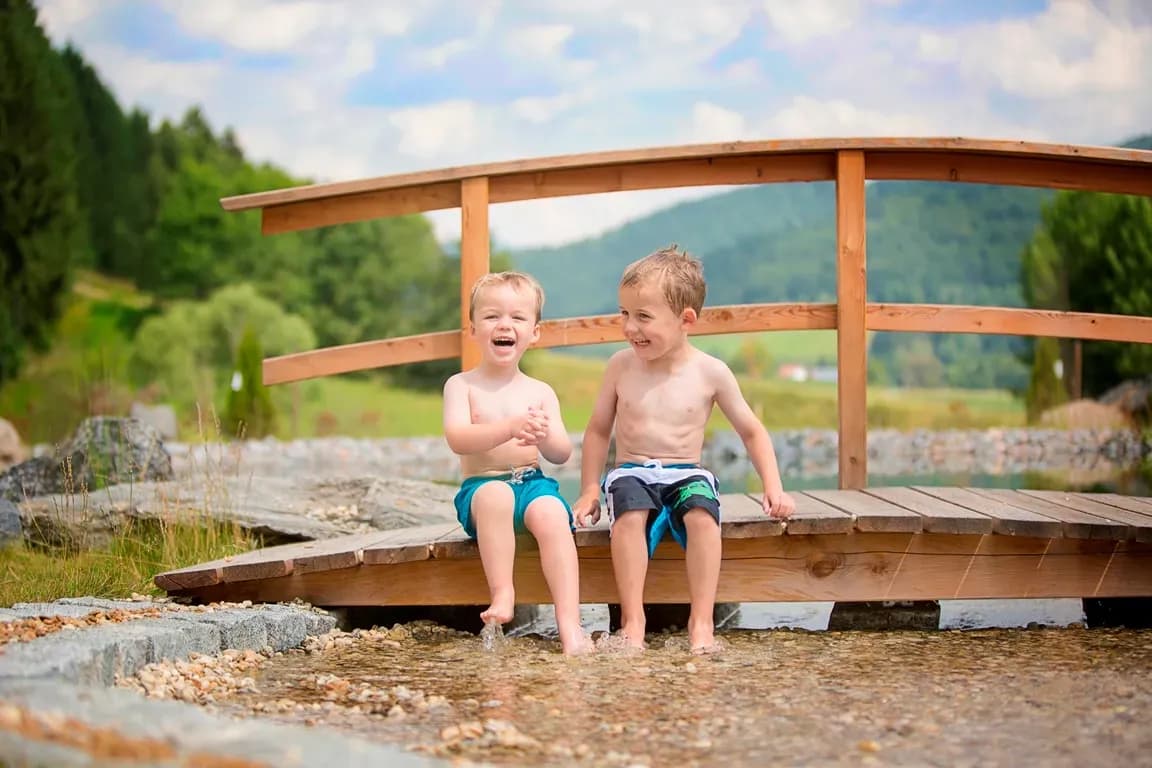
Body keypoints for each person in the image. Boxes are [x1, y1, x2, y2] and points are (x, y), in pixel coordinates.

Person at [572, 245, 796, 653]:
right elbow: (598, 429)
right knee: (629, 513)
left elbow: (751, 430)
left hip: (685, 471)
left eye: (643, 317)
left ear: (685, 319)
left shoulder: (710, 372)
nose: (629, 327)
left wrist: (773, 486)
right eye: (624, 314)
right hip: (632, 471)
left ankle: (702, 621)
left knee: (703, 515)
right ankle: (633, 619)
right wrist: (590, 487)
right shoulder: (620, 366)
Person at [442, 271, 592, 655]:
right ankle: (504, 592)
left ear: (535, 332)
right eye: (492, 316)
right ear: (473, 328)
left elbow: (561, 453)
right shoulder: (462, 385)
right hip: (482, 488)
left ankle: (569, 624)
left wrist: (543, 436)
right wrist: (508, 427)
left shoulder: (540, 392)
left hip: (533, 483)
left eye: (517, 318)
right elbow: (458, 438)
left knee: (552, 515)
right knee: (496, 496)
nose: (504, 324)